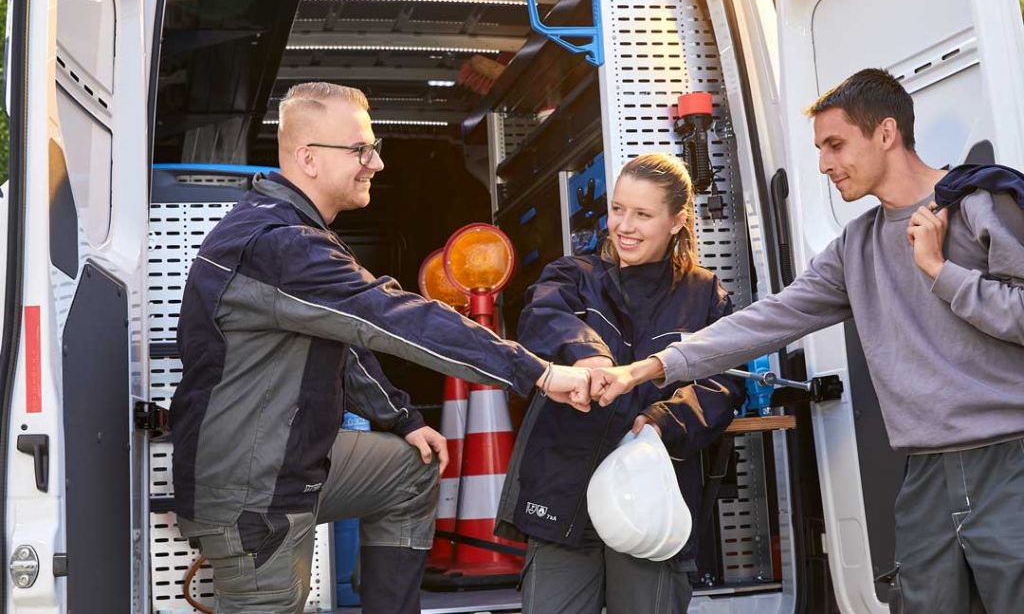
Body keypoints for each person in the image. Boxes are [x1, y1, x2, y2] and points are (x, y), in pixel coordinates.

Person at [589, 69, 1024, 613]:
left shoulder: (982, 202)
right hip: (926, 474)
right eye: (820, 148)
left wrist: (940, 270)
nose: (823, 164)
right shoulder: (855, 247)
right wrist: (650, 368)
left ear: (886, 133)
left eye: (835, 145)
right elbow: (766, 321)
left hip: (1010, 461)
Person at [171, 82, 591, 614]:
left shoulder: (292, 232)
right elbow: (395, 318)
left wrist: (403, 420)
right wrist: (538, 373)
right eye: (360, 150)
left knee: (410, 469)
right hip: (254, 494)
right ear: (308, 158)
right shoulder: (280, 243)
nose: (377, 163)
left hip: (290, 464)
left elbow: (344, 337)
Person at [495, 153, 745, 613]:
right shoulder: (573, 275)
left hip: (651, 496)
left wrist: (661, 421)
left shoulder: (705, 295)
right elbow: (541, 317)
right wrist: (590, 358)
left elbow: (724, 382)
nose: (624, 226)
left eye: (643, 214)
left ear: (676, 221)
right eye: (618, 209)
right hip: (563, 488)